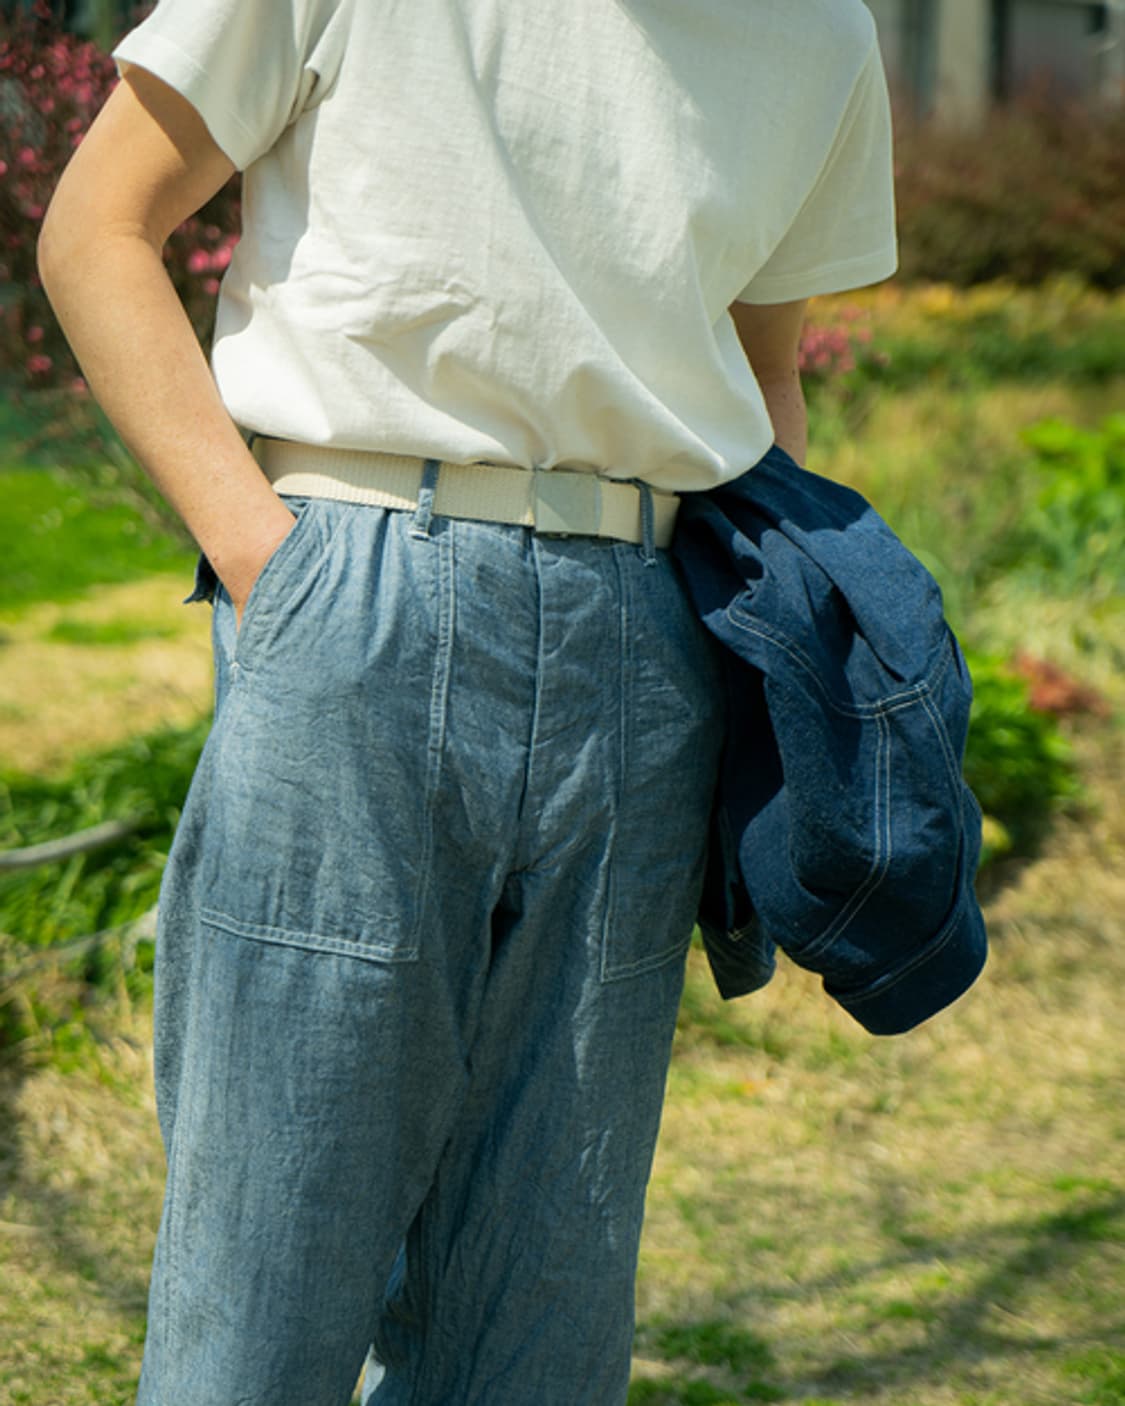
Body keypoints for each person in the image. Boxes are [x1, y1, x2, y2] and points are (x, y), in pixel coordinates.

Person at [38, 1, 898, 1401]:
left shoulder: (817, 30)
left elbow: (762, 371)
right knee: (268, 1270)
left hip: (649, 627)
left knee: (540, 1299)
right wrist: (274, 569)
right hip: (356, 587)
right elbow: (97, 226)